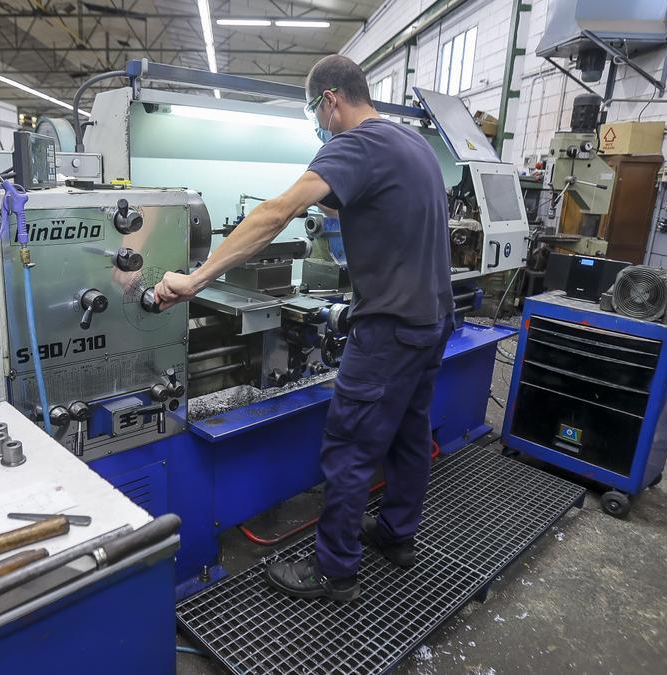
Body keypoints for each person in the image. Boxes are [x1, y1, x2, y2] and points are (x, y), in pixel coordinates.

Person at [152, 54, 453, 601]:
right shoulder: (412, 144)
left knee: (351, 446)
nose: (318, 123)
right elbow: (374, 209)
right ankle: (397, 537)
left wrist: (196, 278)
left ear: (331, 100)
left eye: (315, 111)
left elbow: (275, 213)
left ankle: (335, 570)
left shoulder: (352, 144)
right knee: (410, 431)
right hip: (433, 318)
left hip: (387, 328)